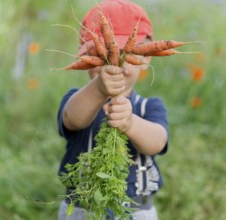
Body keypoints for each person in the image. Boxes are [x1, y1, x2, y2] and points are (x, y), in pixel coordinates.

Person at [56, 0, 169, 219]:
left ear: (145, 58)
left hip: (136, 211)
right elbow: (72, 119)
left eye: (122, 54)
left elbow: (157, 142)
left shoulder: (149, 106)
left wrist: (131, 123)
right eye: (100, 55)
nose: (112, 64)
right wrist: (98, 89)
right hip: (81, 210)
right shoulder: (77, 100)